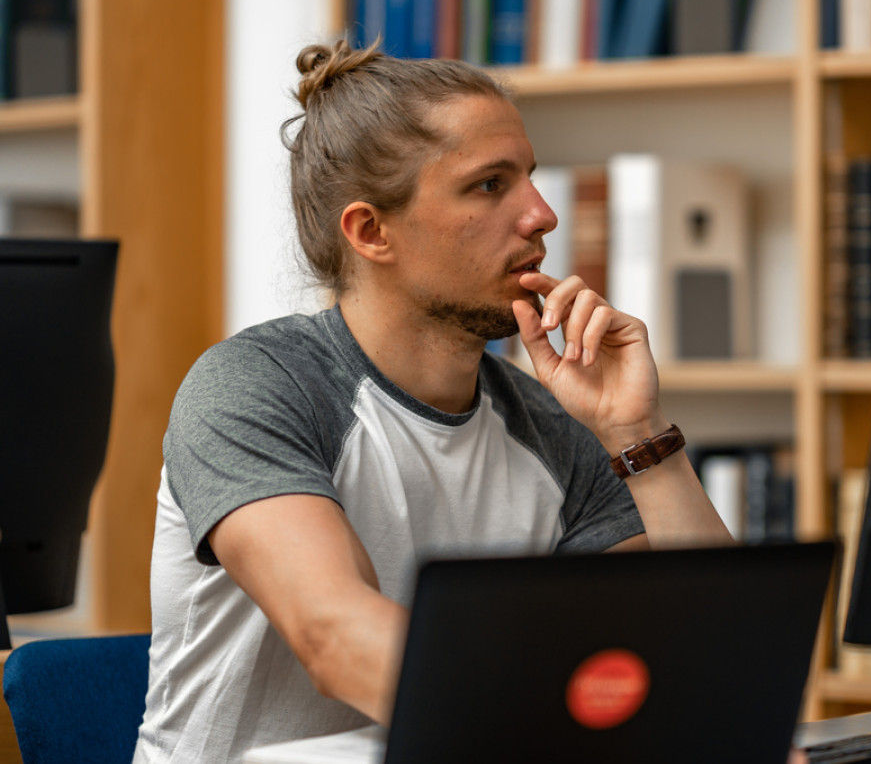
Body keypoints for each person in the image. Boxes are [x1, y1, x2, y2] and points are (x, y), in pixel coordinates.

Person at [132, 40, 733, 764]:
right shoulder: (256, 386)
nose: (541, 215)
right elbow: (336, 638)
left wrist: (637, 429)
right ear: (370, 231)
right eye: (489, 186)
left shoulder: (548, 424)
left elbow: (713, 648)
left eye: (531, 181)